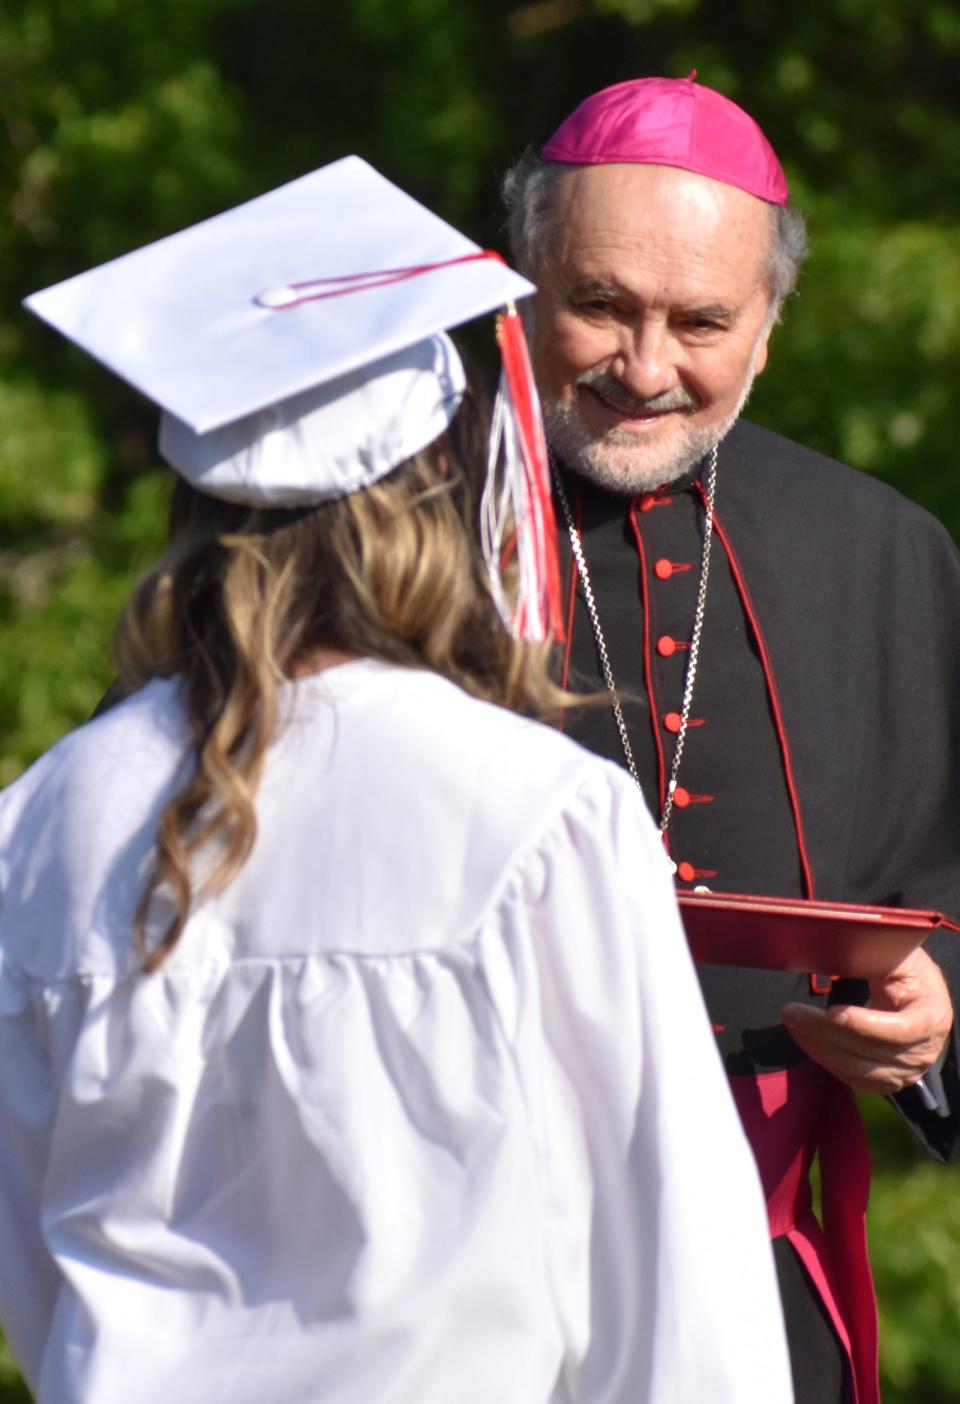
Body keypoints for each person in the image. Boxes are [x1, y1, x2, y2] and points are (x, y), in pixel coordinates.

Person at [0, 159, 794, 1403]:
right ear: (440, 484)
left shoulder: (41, 822)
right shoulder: (538, 818)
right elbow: (674, 1296)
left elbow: (34, 1261)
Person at [502, 73, 960, 1404]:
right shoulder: (391, 532)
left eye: (701, 321)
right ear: (522, 281)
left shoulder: (879, 552)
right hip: (451, 1267)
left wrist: (937, 1024)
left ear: (767, 328)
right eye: (601, 305)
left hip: (759, 1302)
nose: (647, 370)